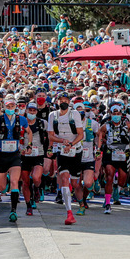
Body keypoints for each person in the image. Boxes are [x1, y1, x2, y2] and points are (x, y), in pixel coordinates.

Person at [0, 96, 29, 223]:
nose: (10, 109)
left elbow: (29, 132)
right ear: (4, 107)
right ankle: (6, 180)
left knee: (15, 182)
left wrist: (28, 145)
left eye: (12, 106)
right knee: (2, 187)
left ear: (15, 107)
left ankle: (13, 211)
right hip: (1, 155)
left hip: (14, 154)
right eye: (8, 106)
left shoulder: (21, 119)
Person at [47, 94, 84, 224]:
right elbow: (51, 136)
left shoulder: (74, 114)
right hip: (62, 150)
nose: (63, 102)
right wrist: (62, 141)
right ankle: (69, 213)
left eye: (65, 100)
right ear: (57, 102)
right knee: (64, 178)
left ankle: (80, 202)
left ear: (69, 102)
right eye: (61, 100)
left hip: (75, 150)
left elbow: (81, 134)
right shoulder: (53, 115)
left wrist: (71, 144)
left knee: (74, 183)